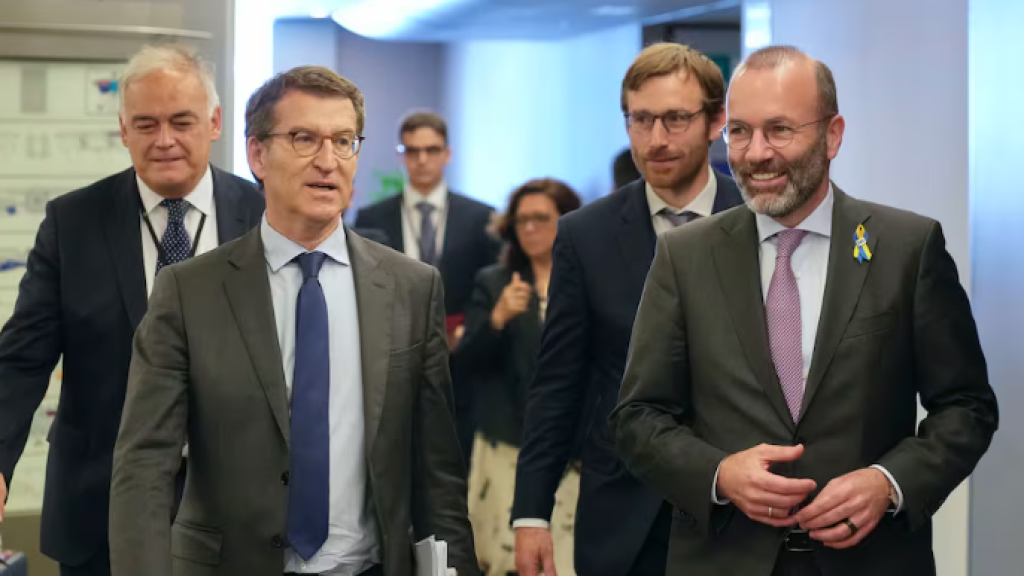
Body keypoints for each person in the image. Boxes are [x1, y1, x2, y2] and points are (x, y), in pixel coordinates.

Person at [610, 45, 998, 576]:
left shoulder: (906, 248)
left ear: (832, 134)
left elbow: (966, 406)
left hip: (870, 561)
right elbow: (637, 417)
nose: (755, 153)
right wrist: (719, 473)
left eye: (780, 130)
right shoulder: (686, 256)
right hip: (725, 559)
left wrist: (889, 483)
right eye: (740, 132)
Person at [107, 65, 478, 576]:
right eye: (304, 138)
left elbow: (438, 472)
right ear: (257, 154)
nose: (328, 160)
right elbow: (145, 465)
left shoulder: (412, 288)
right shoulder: (190, 290)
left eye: (344, 141)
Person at [0, 44, 264, 576]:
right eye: (145, 124)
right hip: (101, 505)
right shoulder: (72, 223)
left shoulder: (265, 216)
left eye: (181, 121)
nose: (164, 140)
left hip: (242, 507)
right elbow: (22, 359)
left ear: (214, 123)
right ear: (123, 130)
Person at [511, 43, 744, 576]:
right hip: (622, 514)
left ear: (715, 122)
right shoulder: (584, 235)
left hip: (736, 515)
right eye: (641, 120)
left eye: (676, 119)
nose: (656, 139)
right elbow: (558, 381)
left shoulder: (757, 222)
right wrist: (531, 513)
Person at [354, 110, 500, 467]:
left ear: (446, 154)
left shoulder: (480, 217)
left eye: (431, 150)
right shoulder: (372, 218)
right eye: (413, 150)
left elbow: (490, 284)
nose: (422, 160)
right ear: (401, 155)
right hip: (395, 354)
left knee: (455, 459)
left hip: (462, 362)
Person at [459, 178, 582, 576]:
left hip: (575, 447)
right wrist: (497, 319)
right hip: (507, 442)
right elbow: (465, 364)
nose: (530, 228)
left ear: (566, 221)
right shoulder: (495, 281)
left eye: (542, 218)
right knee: (505, 560)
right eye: (522, 220)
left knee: (567, 559)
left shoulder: (585, 279)